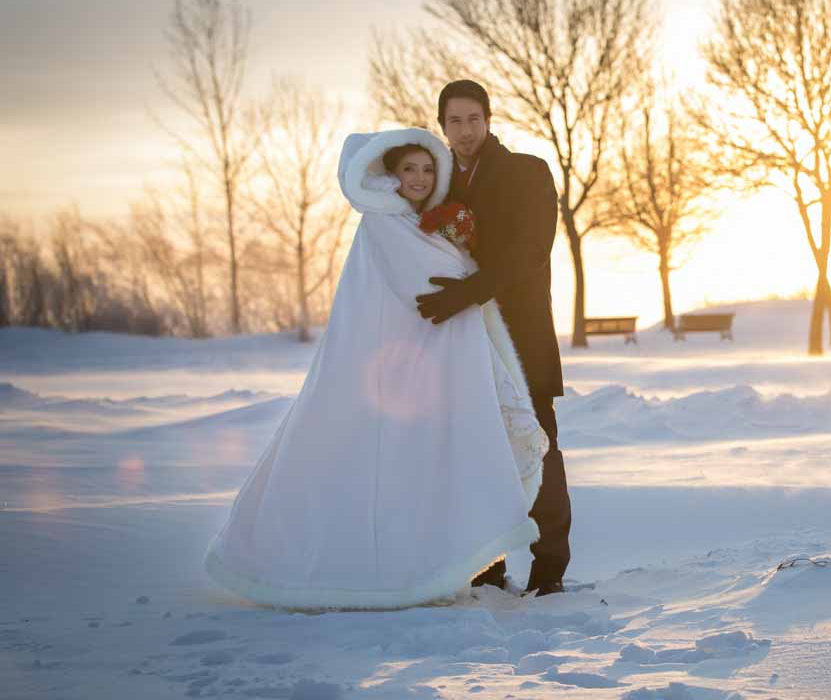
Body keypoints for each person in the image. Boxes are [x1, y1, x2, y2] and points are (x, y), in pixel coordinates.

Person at [203, 127, 548, 610]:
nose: (421, 178)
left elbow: (448, 279)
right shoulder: (385, 222)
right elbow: (427, 285)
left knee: (417, 471)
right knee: (374, 471)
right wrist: (469, 273)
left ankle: (424, 566)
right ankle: (360, 572)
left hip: (414, 370)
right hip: (390, 373)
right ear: (391, 174)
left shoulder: (414, 220)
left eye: (429, 170)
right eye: (410, 169)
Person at [416, 80, 570, 597]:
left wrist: (470, 292)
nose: (464, 131)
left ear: (489, 119)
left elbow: (531, 250)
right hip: (464, 344)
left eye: (473, 119)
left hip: (521, 335)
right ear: (442, 127)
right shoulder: (437, 186)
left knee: (538, 445)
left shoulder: (528, 172)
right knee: (477, 453)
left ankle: (549, 571)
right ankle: (487, 568)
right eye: (453, 121)